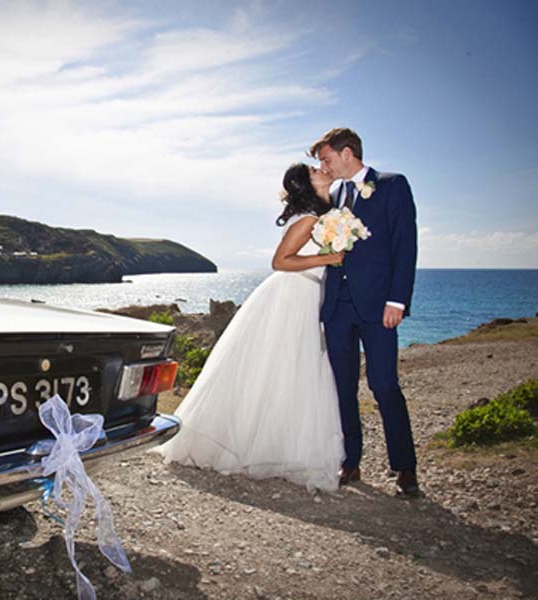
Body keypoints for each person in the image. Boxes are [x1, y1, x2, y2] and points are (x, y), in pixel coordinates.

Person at [155, 163, 346, 493]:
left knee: (290, 370)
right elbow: (280, 261)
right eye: (314, 171)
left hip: (306, 294)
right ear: (307, 184)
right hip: (291, 293)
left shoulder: (323, 216)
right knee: (281, 365)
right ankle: (257, 447)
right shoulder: (308, 220)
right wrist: (328, 259)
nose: (321, 170)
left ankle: (279, 445)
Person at [309, 127, 419, 496]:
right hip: (339, 307)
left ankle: (405, 467)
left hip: (378, 307)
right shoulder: (333, 195)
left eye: (326, 158)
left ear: (347, 153)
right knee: (343, 387)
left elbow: (405, 246)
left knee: (384, 384)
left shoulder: (392, 185)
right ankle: (350, 461)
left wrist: (397, 301)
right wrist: (323, 194)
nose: (322, 166)